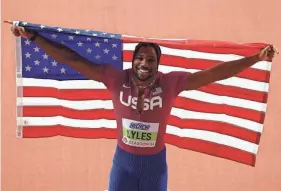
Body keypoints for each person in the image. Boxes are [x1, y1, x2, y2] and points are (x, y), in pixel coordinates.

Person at [10, 24, 277, 191]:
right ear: (133, 61)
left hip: (154, 166)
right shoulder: (115, 78)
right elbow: (71, 58)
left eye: (150, 59)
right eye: (140, 58)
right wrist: (33, 36)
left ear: (157, 65)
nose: (144, 63)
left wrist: (255, 58)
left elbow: (214, 73)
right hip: (123, 164)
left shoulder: (171, 83)